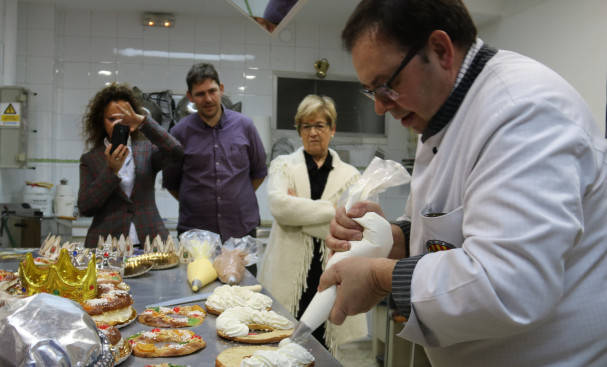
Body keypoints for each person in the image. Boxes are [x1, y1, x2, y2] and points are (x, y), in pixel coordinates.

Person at [319, 0, 607, 366]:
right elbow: (449, 226)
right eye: (371, 91)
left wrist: (379, 278)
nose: (380, 107)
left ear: (440, 50)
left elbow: (509, 284)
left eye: (387, 85)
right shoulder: (439, 114)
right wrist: (393, 238)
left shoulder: (524, 111)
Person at [258, 94, 362, 354]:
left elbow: (353, 226)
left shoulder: (350, 177)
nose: (313, 132)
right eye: (306, 126)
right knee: (284, 341)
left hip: (329, 270)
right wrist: (331, 212)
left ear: (332, 129)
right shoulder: (283, 166)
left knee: (324, 347)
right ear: (299, 130)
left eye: (320, 125)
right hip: (289, 272)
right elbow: (280, 208)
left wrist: (300, 216)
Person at [162, 63, 268, 245]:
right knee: (196, 275)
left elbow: (259, 172)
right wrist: (200, 201)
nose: (208, 98)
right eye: (200, 94)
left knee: (244, 276)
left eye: (212, 91)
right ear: (190, 96)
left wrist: (236, 196)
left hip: (240, 230)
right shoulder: (179, 133)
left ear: (221, 89)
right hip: (196, 234)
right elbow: (171, 182)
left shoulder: (245, 126)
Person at [78, 83, 183, 248]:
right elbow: (85, 207)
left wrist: (143, 122)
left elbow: (176, 151)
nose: (117, 124)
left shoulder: (146, 149)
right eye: (111, 119)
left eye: (123, 118)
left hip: (151, 240)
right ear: (101, 121)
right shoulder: (91, 159)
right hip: (107, 243)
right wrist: (111, 171)